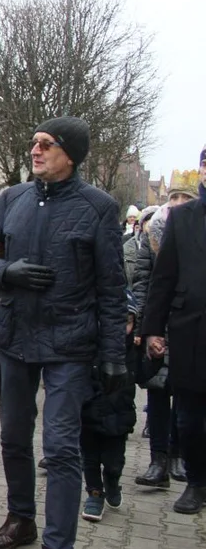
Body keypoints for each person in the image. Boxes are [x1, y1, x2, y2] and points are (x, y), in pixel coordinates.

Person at [0, 117, 127, 549]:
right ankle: (21, 519)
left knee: (60, 448)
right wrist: (7, 273)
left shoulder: (98, 207)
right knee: (13, 437)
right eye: (34, 143)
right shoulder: (11, 197)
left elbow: (112, 286)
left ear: (70, 154)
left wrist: (114, 354)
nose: (35, 151)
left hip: (69, 344)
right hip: (14, 336)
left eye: (46, 144)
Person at [140, 145, 206, 515]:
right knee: (190, 417)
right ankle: (196, 482)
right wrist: (153, 330)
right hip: (190, 332)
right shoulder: (183, 219)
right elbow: (162, 280)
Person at [133, 192, 191, 488]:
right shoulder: (152, 231)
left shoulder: (197, 229)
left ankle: (179, 455)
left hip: (189, 325)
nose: (179, 201)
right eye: (175, 196)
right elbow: (144, 282)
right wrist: (144, 325)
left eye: (186, 196)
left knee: (184, 392)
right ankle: (158, 460)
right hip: (158, 322)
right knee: (157, 390)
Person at [79, 290, 138, 522]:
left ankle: (112, 481)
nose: (121, 327)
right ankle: (94, 494)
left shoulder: (133, 351)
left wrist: (154, 357)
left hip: (118, 420)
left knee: (114, 463)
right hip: (90, 416)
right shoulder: (88, 349)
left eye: (128, 322)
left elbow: (145, 375)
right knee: (90, 459)